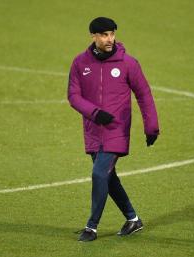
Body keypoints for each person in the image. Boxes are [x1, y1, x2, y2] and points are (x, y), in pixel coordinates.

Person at [68, 17, 159, 242]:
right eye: (104, 35)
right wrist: (95, 113)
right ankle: (133, 219)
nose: (110, 39)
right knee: (108, 178)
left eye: (112, 34)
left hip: (116, 130)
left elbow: (144, 94)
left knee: (99, 173)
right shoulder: (80, 63)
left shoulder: (128, 63)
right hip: (92, 129)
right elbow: (73, 96)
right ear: (93, 36)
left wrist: (152, 126)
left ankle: (92, 227)